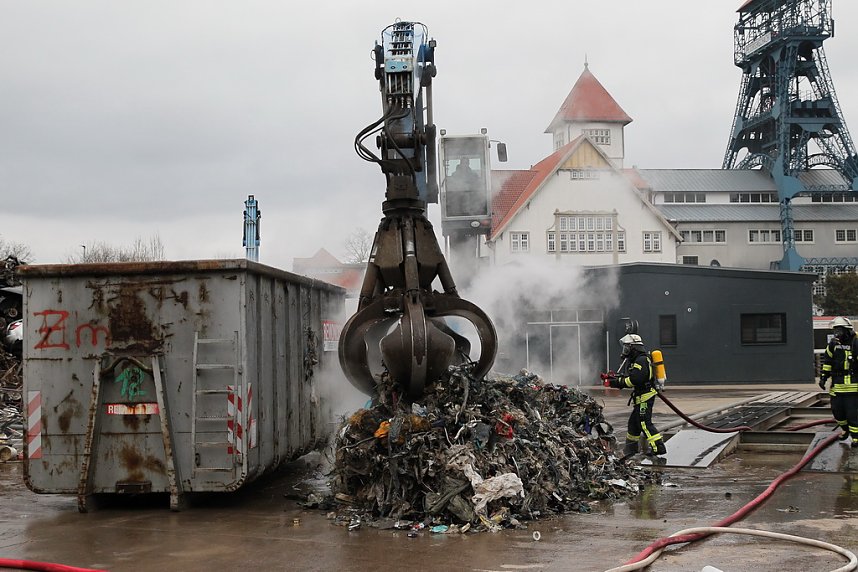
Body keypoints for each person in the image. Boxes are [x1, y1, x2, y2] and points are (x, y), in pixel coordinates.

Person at [607, 333, 667, 458]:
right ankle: (631, 449)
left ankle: (658, 448)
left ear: (633, 347)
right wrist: (616, 379)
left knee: (644, 423)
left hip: (645, 397)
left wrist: (617, 383)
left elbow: (635, 380)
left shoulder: (641, 360)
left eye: (627, 347)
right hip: (641, 397)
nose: (625, 350)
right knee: (633, 424)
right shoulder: (638, 360)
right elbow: (632, 376)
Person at [819, 316, 858, 447]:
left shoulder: (856, 342)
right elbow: (828, 362)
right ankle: (845, 430)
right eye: (835, 331)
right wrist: (823, 377)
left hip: (853, 387)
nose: (837, 334)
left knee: (853, 414)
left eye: (839, 330)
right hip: (837, 386)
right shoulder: (833, 345)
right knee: (838, 413)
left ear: (847, 330)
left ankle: (856, 438)